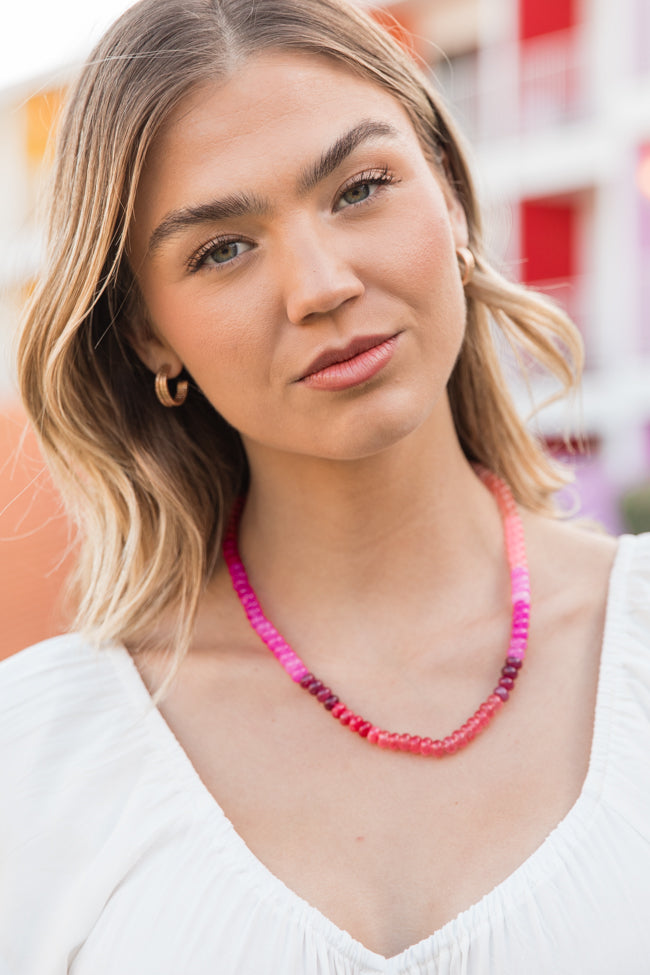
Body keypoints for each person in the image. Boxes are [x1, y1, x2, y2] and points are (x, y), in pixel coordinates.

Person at [1, 0, 649, 971]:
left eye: (358, 188)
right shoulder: (42, 753)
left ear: (449, 195)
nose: (321, 284)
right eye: (222, 249)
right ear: (147, 335)